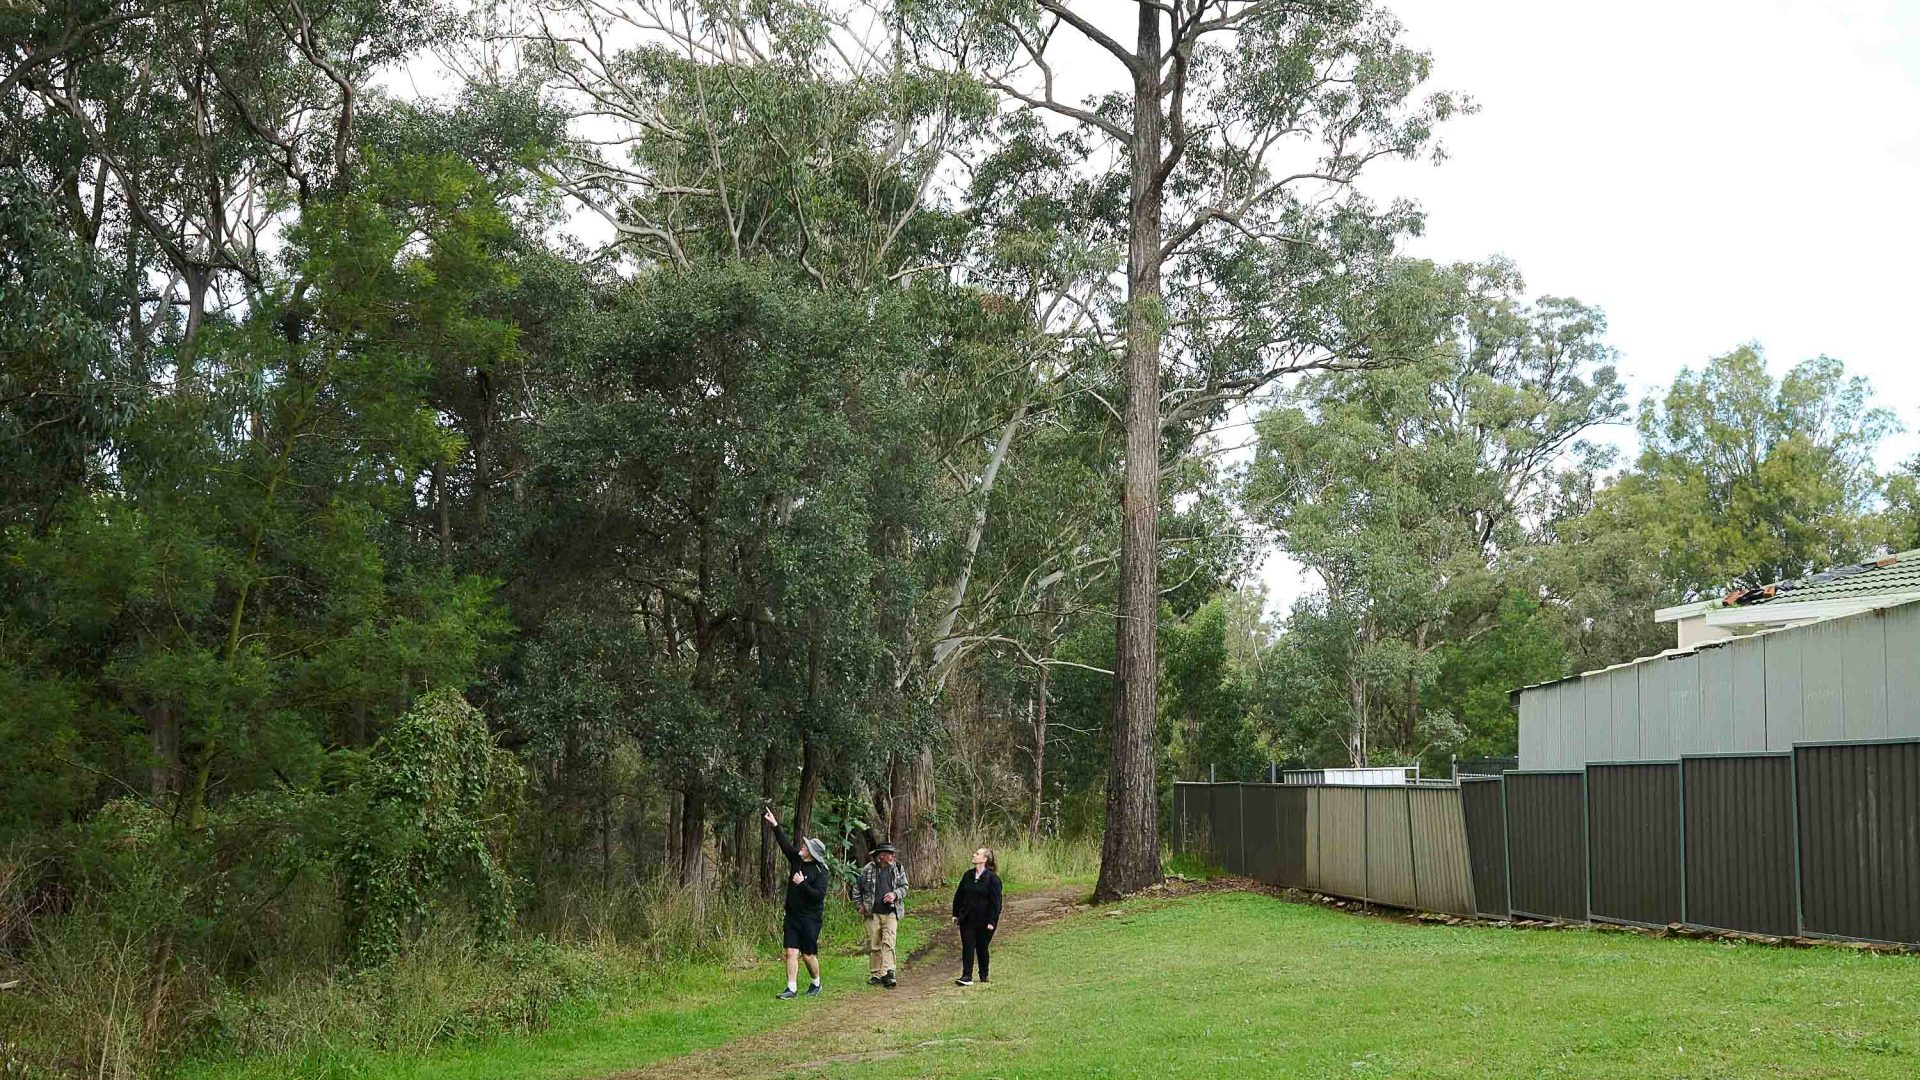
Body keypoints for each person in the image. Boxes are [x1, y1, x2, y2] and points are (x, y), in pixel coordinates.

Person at [763, 807, 830, 999]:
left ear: (812, 853)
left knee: (808, 955)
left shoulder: (821, 871)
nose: (801, 847)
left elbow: (818, 896)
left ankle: (816, 983)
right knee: (791, 951)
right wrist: (775, 825)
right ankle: (791, 988)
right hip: (792, 915)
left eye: (805, 847)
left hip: (811, 918)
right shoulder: (797, 860)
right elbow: (784, 845)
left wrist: (802, 885)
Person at [854, 842, 909, 988]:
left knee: (889, 942)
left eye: (893, 854)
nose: (893, 856)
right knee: (874, 945)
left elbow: (904, 887)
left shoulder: (898, 868)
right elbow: (857, 888)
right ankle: (876, 974)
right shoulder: (868, 870)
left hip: (891, 912)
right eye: (890, 854)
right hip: (872, 914)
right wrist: (859, 906)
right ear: (881, 856)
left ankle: (888, 973)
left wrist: (894, 895)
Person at [950, 846, 1002, 986]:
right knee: (967, 946)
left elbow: (996, 903)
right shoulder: (968, 875)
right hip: (967, 919)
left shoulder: (993, 879)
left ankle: (983, 974)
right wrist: (956, 913)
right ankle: (966, 976)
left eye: (977, 853)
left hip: (985, 921)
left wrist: (992, 921)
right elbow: (959, 895)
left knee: (982, 947)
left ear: (984, 859)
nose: (974, 854)